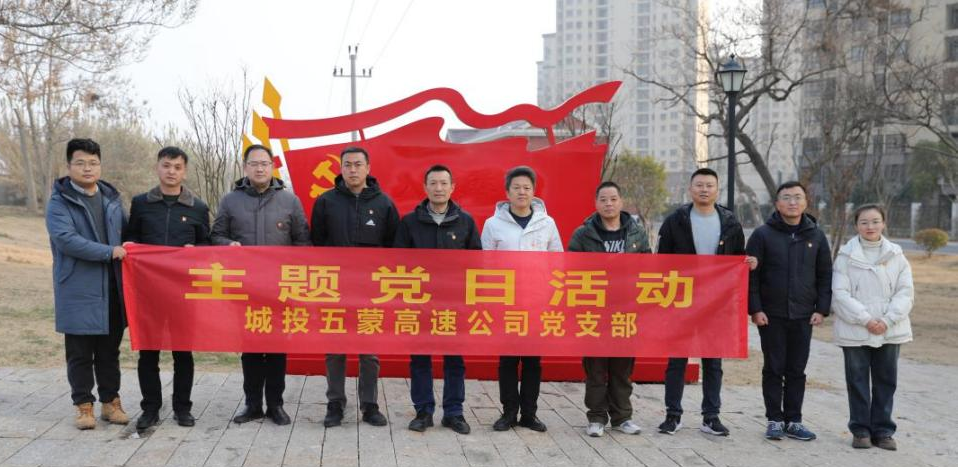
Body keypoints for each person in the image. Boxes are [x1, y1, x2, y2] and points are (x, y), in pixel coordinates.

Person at [212, 144, 309, 426]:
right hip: (245, 289)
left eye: (264, 163)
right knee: (251, 348)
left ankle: (275, 405)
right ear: (245, 167)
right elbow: (215, 236)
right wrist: (228, 245)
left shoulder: (289, 201)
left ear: (272, 167)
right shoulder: (231, 201)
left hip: (280, 288)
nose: (259, 168)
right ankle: (252, 404)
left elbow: (303, 242)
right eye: (253, 163)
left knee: (277, 348)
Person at [656, 168, 756, 436]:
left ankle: (711, 416)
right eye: (699, 185)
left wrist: (747, 263)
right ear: (690, 189)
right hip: (682, 301)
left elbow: (738, 259)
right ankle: (672, 415)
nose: (704, 189)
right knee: (676, 360)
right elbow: (661, 261)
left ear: (717, 190)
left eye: (709, 185)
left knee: (713, 362)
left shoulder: (730, 222)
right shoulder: (675, 221)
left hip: (716, 303)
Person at [310, 146, 399, 428]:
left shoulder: (384, 204)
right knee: (335, 348)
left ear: (368, 168)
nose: (352, 169)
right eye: (347, 164)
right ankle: (335, 403)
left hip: (371, 290)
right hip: (334, 288)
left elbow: (394, 248)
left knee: (368, 351)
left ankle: (370, 405)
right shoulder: (326, 202)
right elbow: (317, 243)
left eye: (358, 164)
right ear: (341, 168)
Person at [124, 146, 210, 430]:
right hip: (148, 292)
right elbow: (131, 238)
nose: (171, 171)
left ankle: (182, 408)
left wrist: (195, 251)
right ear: (157, 167)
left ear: (184, 171)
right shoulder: (141, 203)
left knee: (183, 352)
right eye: (166, 165)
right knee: (148, 352)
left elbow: (207, 246)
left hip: (184, 293)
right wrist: (131, 246)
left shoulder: (198, 208)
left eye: (177, 167)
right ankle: (150, 408)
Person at [45, 138, 129, 430]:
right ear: (69, 166)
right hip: (77, 288)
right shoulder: (59, 202)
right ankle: (83, 406)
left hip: (112, 288)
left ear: (100, 165)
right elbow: (66, 240)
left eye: (93, 162)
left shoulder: (111, 200)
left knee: (109, 352)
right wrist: (109, 251)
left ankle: (110, 402)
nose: (87, 168)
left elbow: (128, 236)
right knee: (80, 353)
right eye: (80, 162)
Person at [394, 165, 480, 435]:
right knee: (420, 359)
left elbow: (477, 263)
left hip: (455, 304)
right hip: (419, 303)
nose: (439, 188)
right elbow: (398, 262)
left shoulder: (465, 222)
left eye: (444, 183)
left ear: (452, 187)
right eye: (433, 183)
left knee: (454, 360)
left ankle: (454, 412)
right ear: (425, 187)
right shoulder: (410, 222)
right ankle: (423, 411)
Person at [747, 181, 832, 441]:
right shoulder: (762, 235)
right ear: (777, 203)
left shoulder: (816, 236)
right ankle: (774, 419)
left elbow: (825, 275)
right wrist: (755, 309)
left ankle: (794, 420)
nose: (792, 202)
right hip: (771, 315)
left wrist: (822, 309)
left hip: (804, 315)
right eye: (786, 197)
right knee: (774, 367)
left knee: (797, 369)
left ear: (806, 202)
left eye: (797, 197)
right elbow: (751, 277)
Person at [481, 165, 563, 433]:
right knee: (507, 360)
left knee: (532, 361)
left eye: (527, 187)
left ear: (533, 191)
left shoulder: (547, 223)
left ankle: (529, 413)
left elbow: (557, 262)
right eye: (516, 187)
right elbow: (485, 265)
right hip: (506, 303)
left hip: (537, 302)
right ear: (507, 192)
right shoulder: (493, 224)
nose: (521, 192)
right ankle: (508, 412)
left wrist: (552, 297)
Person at [568, 181, 650, 437]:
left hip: (626, 311)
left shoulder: (637, 233)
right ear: (596, 203)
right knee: (595, 368)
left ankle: (622, 417)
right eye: (603, 199)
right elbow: (570, 268)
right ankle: (596, 417)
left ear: (621, 202)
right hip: (594, 312)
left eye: (613, 199)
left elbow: (649, 268)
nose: (609, 204)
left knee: (622, 369)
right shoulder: (583, 234)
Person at [831, 204, 913, 451]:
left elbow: (905, 292)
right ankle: (860, 431)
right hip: (855, 328)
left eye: (875, 221)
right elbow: (840, 293)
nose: (870, 226)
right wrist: (866, 319)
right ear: (856, 225)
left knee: (886, 381)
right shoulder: (845, 256)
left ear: (883, 223)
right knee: (857, 381)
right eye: (864, 222)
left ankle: (883, 431)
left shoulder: (896, 255)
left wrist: (887, 320)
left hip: (890, 328)